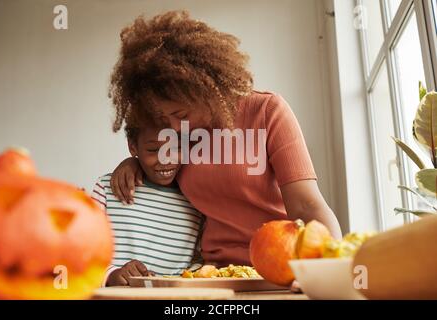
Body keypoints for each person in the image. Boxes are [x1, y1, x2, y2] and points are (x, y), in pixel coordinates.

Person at [108, 10, 342, 269]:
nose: (173, 127)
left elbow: (307, 204)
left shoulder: (267, 111)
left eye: (180, 114)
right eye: (163, 117)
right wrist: (134, 162)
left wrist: (333, 269)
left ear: (204, 91)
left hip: (281, 265)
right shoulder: (177, 134)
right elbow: (161, 169)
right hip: (214, 272)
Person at [92, 125, 204, 286]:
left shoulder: (196, 200)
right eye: (153, 150)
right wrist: (111, 275)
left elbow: (198, 262)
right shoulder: (107, 188)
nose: (166, 158)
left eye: (176, 148)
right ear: (133, 146)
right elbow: (82, 256)